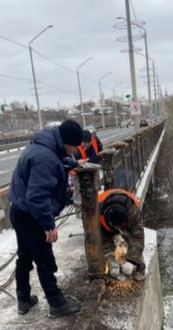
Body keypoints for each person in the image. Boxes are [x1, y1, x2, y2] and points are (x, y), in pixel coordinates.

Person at [8, 119, 87, 317]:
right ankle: (57, 304)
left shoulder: (47, 144)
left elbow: (58, 159)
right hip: (31, 215)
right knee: (44, 259)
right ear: (67, 141)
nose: (74, 151)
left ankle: (23, 298)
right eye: (74, 148)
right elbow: (37, 197)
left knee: (25, 257)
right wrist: (48, 225)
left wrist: (72, 164)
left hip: (19, 210)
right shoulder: (45, 158)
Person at [98, 188, 146, 280]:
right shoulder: (97, 212)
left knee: (130, 239)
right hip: (104, 218)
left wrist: (131, 260)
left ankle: (140, 266)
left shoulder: (133, 213)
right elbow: (102, 239)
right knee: (104, 242)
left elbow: (138, 239)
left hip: (126, 214)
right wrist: (110, 257)